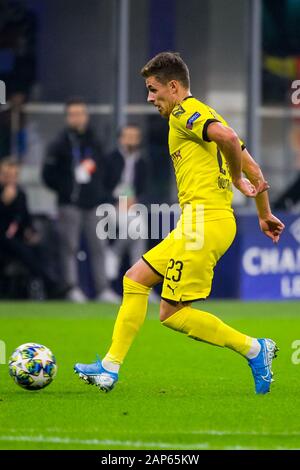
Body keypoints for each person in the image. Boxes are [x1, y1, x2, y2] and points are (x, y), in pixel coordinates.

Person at [74, 52, 285, 394]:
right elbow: (256, 171)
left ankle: (255, 349)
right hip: (201, 224)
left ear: (173, 87)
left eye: (153, 89)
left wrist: (233, 178)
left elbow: (230, 142)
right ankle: (109, 368)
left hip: (203, 225)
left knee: (172, 313)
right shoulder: (207, 115)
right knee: (135, 279)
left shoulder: (184, 112)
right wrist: (263, 213)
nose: (150, 98)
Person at [42, 97, 120, 303]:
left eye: (80, 114)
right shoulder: (59, 144)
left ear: (86, 116)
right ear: (67, 117)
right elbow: (47, 175)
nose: (77, 118)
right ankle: (71, 288)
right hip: (69, 205)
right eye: (73, 114)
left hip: (93, 204)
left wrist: (102, 193)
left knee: (99, 247)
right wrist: (66, 190)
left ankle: (102, 289)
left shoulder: (95, 141)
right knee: (69, 247)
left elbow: (105, 170)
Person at [0, 158, 64, 298]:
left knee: (41, 247)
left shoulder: (21, 195)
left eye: (14, 175)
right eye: (8, 175)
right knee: (19, 248)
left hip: (17, 238)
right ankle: (49, 284)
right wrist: (4, 203)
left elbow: (25, 220)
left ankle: (45, 284)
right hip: (4, 239)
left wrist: (31, 232)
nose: (12, 179)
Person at [105, 124, 150, 279]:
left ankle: (115, 253)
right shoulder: (110, 159)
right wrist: (115, 201)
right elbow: (101, 187)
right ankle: (139, 276)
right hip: (109, 207)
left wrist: (135, 200)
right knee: (138, 226)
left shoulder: (142, 163)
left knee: (139, 227)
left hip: (132, 208)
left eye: (134, 137)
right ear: (120, 139)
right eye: (127, 136)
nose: (130, 140)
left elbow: (144, 190)